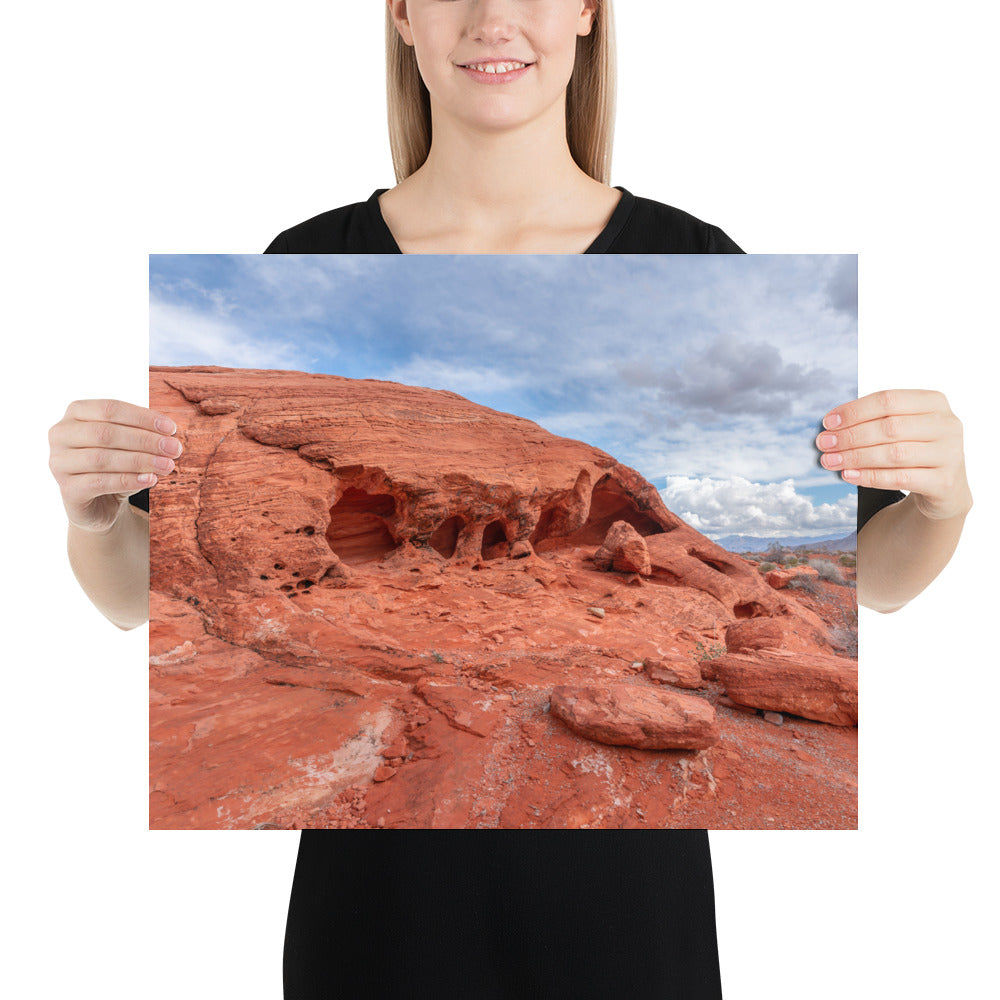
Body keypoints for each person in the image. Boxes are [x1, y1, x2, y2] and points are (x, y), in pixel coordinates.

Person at [46, 1, 972, 997]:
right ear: (402, 16)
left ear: (586, 14)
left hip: (629, 935)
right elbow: (132, 600)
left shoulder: (696, 247)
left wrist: (942, 502)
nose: (494, 17)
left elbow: (877, 583)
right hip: (374, 933)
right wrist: (91, 513)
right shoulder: (307, 246)